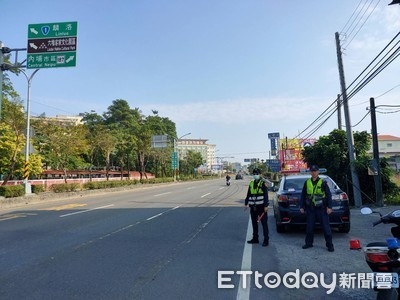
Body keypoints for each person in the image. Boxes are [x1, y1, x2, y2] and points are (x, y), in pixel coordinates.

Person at [299, 165, 334, 252]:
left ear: (318, 172)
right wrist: (302, 206)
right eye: (312, 171)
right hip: (311, 209)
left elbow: (329, 195)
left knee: (326, 228)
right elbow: (303, 195)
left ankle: (330, 245)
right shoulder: (307, 182)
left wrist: (330, 207)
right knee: (309, 228)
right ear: (310, 172)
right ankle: (308, 243)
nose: (313, 172)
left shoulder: (323, 182)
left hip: (321, 209)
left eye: (315, 171)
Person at [244, 168, 269, 246]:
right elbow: (248, 194)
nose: (255, 175)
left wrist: (266, 205)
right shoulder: (251, 183)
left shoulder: (263, 183)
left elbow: (266, 195)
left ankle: (266, 240)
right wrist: (246, 203)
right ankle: (255, 238)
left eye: (257, 174)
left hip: (262, 207)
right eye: (254, 174)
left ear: (260, 174)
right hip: (253, 207)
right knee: (254, 223)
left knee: (264, 223)